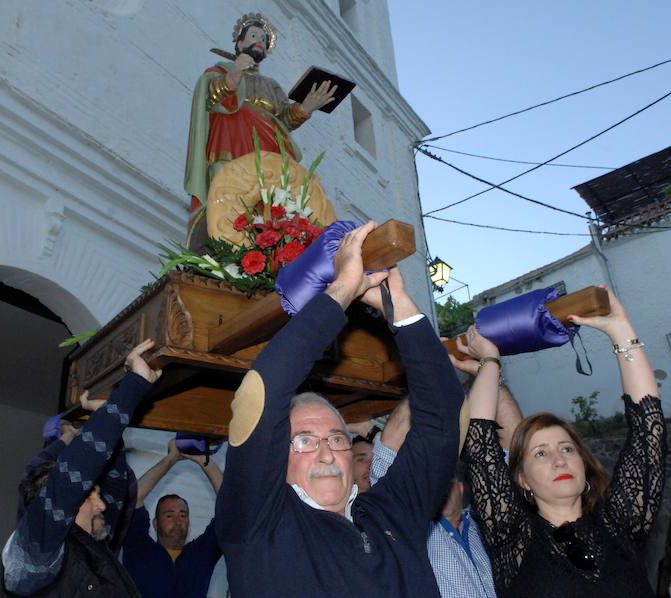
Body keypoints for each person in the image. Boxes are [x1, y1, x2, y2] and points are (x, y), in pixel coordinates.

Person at [214, 221, 465, 597]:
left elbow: (442, 418)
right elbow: (260, 394)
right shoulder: (256, 523)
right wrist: (342, 289)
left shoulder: (392, 512)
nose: (326, 452)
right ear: (273, 458)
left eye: (336, 437)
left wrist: (400, 306)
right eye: (303, 441)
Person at [461, 285, 666, 597]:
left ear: (584, 464)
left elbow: (648, 430)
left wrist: (621, 331)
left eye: (567, 449)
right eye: (540, 454)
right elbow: (480, 443)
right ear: (522, 480)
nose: (559, 459)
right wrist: (489, 363)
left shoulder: (621, 523)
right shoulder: (512, 537)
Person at [0, 340, 160, 597]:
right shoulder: (36, 552)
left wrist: (106, 411)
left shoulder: (91, 544)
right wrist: (133, 386)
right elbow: (73, 476)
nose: (101, 504)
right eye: (90, 496)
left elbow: (114, 480)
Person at [184, 12, 336, 212]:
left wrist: (305, 108)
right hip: (231, 141)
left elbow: (284, 120)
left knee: (277, 200)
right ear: (239, 44)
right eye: (254, 36)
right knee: (229, 192)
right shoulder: (220, 71)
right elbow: (212, 98)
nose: (260, 42)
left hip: (270, 147)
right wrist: (235, 73)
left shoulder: (271, 85)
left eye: (264, 39)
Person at [369, 397, 502, 598]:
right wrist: (429, 384)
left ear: (460, 487)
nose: (436, 488)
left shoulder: (482, 525)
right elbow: (385, 458)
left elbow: (505, 463)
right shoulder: (414, 528)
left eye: (444, 481)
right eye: (431, 482)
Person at [121, 439, 222, 598]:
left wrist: (204, 460)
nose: (178, 521)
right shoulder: (139, 548)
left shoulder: (200, 554)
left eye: (183, 515)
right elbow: (132, 498)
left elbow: (231, 511)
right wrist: (171, 458)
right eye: (169, 515)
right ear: (155, 523)